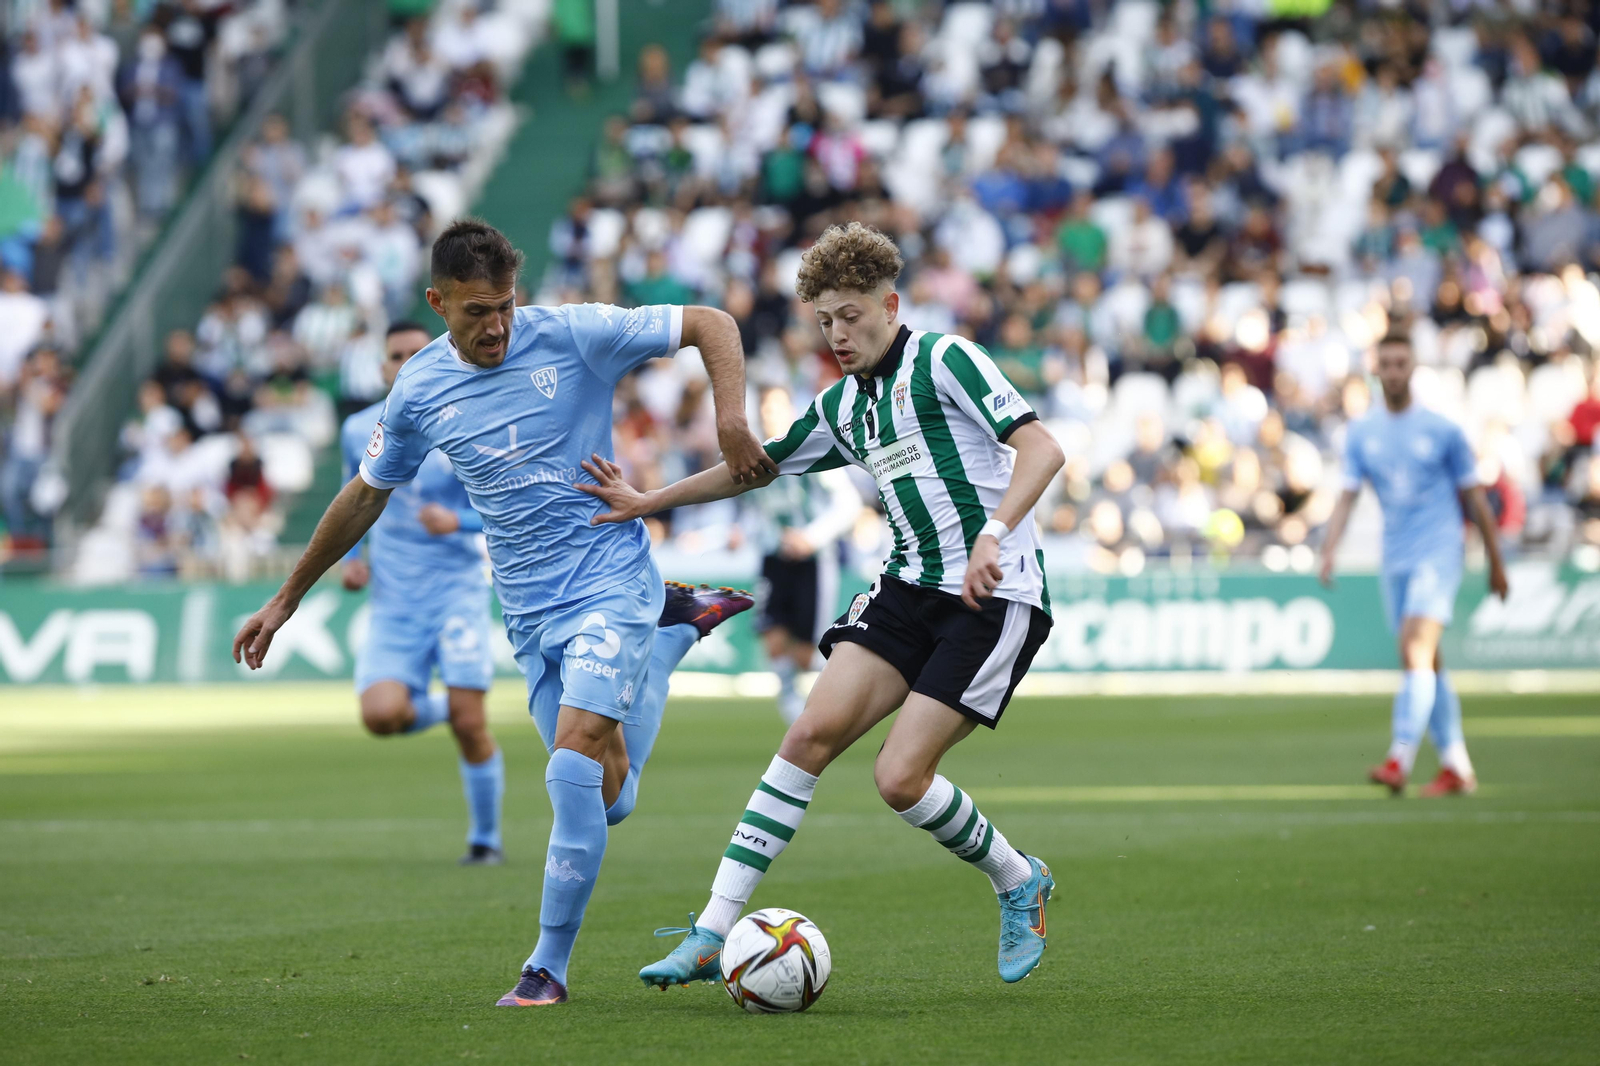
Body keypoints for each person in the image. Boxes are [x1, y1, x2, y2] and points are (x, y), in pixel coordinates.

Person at [233, 219, 773, 1006]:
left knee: (571, 763)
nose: (496, 327)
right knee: (609, 797)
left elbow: (712, 323)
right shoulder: (419, 387)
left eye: (506, 307)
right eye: (476, 311)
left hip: (610, 580)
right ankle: (668, 639)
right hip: (527, 607)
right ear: (438, 302)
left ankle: (547, 968)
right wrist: (286, 598)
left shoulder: (575, 333)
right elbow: (365, 495)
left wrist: (730, 419)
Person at [577, 223, 1067, 986]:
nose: (837, 334)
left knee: (899, 779)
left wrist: (993, 533)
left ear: (890, 306)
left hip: (993, 594)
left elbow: (1043, 448)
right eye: (824, 320)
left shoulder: (946, 360)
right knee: (806, 736)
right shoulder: (843, 407)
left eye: (850, 316)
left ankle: (1018, 879)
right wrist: (649, 500)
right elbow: (755, 467)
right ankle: (711, 932)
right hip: (908, 587)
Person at [338, 321, 504, 865]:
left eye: (418, 351)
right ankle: (453, 707)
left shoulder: (467, 421)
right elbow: (351, 498)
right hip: (395, 601)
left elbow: (504, 505)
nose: (407, 361)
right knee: (380, 715)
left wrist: (456, 521)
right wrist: (352, 559)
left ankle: (485, 841)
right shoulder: (358, 429)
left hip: (456, 592)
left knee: (472, 726)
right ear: (383, 367)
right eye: (396, 355)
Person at [1319, 332, 1510, 797]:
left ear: (1413, 368)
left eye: (1401, 363)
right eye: (1385, 363)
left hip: (1439, 552)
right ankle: (1456, 764)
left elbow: (1475, 500)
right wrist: (1329, 548)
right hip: (1396, 557)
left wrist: (1495, 561)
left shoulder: (1443, 431)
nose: (1393, 372)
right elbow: (1347, 495)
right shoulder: (1363, 432)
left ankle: (1398, 758)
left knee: (1414, 650)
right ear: (1376, 370)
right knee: (1427, 660)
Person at [748, 384, 861, 724]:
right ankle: (791, 706)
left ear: (790, 410)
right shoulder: (753, 452)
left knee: (803, 650)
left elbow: (849, 504)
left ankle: (826, 700)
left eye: (776, 408)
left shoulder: (809, 450)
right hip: (773, 556)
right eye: (765, 408)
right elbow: (753, 506)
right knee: (773, 636)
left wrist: (811, 538)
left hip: (813, 559)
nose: (769, 415)